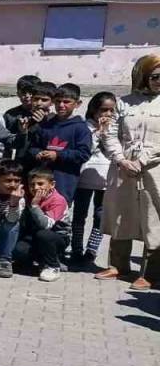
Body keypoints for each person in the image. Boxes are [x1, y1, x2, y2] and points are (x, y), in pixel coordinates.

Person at [97, 54, 160, 290]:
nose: (158, 81)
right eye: (155, 76)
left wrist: (143, 159)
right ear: (144, 76)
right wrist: (121, 159)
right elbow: (111, 133)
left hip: (154, 168)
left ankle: (151, 272)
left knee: (154, 218)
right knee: (120, 214)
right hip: (124, 168)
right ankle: (118, 265)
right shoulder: (125, 102)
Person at [26, 83, 91, 204]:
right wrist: (38, 153)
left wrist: (58, 155)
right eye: (58, 101)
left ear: (77, 104)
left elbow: (84, 154)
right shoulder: (46, 125)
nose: (61, 105)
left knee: (59, 215)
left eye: (66, 102)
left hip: (65, 180)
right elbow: (33, 146)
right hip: (41, 180)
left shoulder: (80, 128)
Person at [74, 92, 115, 264]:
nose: (107, 114)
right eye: (103, 110)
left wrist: (108, 133)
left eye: (111, 110)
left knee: (100, 215)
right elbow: (87, 149)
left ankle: (92, 250)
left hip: (105, 178)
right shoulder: (85, 126)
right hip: (85, 176)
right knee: (79, 214)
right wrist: (99, 132)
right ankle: (76, 249)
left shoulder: (116, 127)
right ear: (94, 109)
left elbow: (113, 151)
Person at [16, 167, 72, 282]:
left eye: (40, 183)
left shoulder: (58, 200)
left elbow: (46, 225)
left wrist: (35, 206)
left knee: (44, 234)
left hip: (57, 238)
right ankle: (41, 260)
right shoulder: (28, 197)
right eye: (32, 184)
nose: (36, 188)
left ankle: (53, 266)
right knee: (19, 250)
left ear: (52, 184)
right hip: (34, 236)